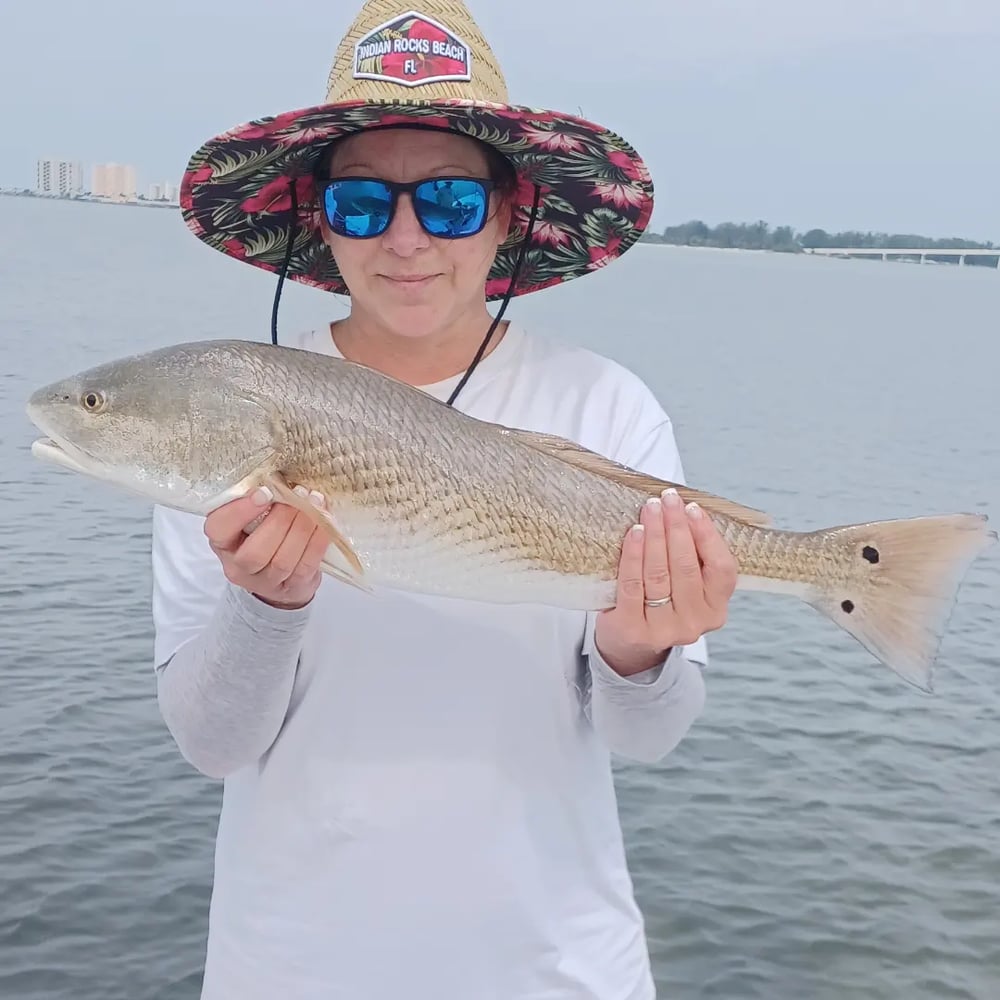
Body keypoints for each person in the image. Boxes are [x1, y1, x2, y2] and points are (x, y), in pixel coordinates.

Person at [152, 2, 738, 998]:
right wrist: (265, 605)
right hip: (290, 968)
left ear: (508, 214)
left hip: (557, 969)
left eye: (453, 202)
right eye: (364, 204)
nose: (408, 238)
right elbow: (212, 745)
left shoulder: (606, 406)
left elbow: (651, 737)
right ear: (318, 220)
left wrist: (639, 646)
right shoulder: (228, 420)